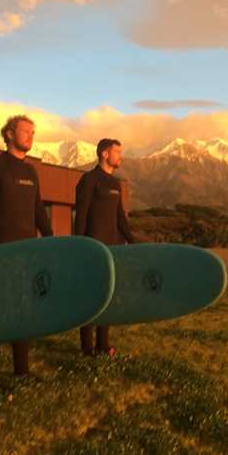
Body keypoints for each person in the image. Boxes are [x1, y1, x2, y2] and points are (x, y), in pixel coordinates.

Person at [0, 115, 52, 384]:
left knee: (22, 310)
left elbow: (38, 208)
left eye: (33, 132)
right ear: (9, 134)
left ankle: (22, 370)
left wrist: (50, 237)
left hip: (25, 252)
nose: (30, 136)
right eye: (25, 131)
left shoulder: (31, 171)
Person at [73, 138, 135, 356]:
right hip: (92, 247)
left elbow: (120, 217)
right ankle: (87, 347)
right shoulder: (89, 180)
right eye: (117, 152)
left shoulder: (115, 183)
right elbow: (80, 215)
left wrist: (133, 241)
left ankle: (102, 343)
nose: (121, 156)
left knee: (107, 296)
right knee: (90, 296)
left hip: (113, 248)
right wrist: (78, 245)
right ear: (104, 154)